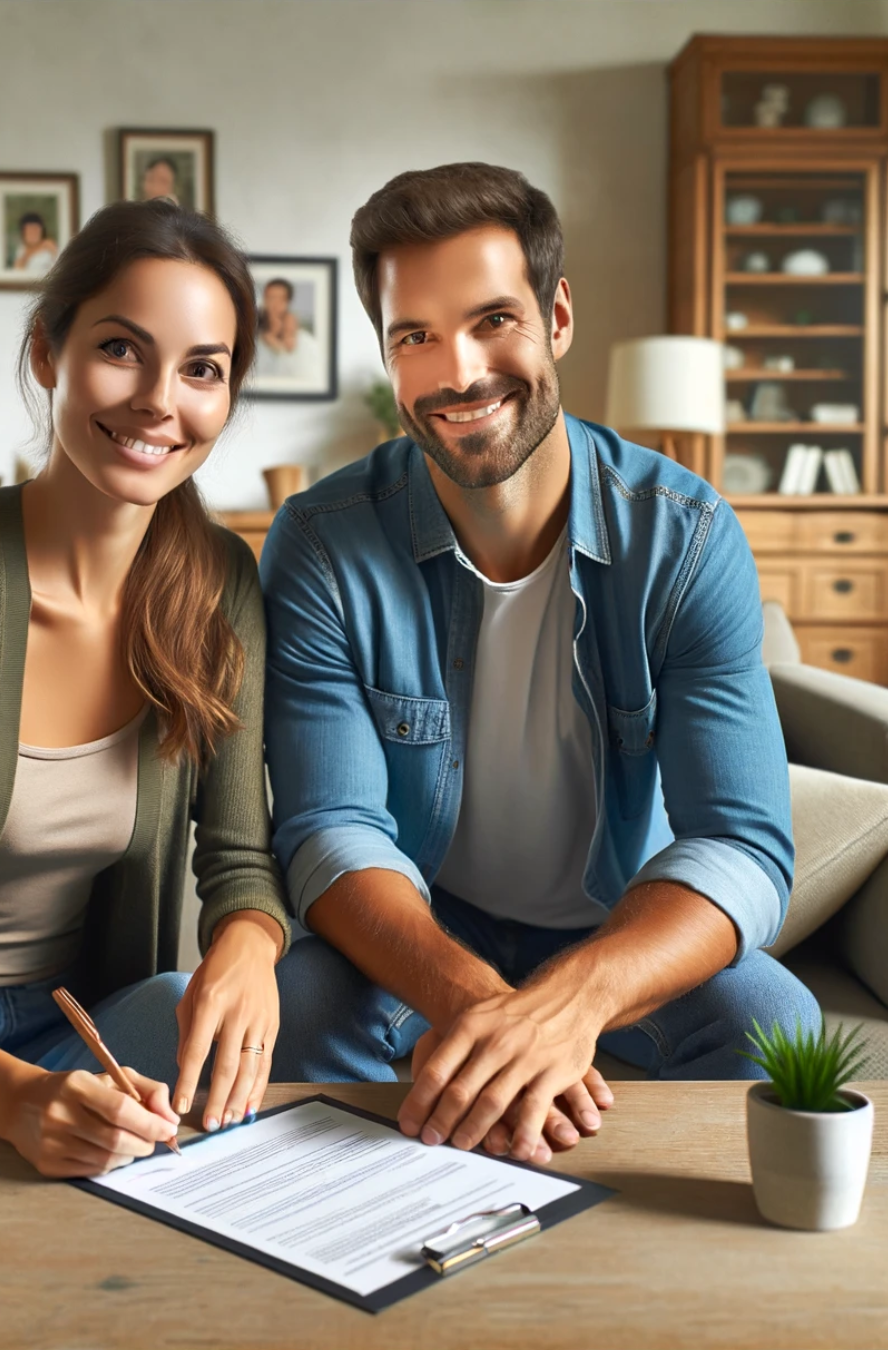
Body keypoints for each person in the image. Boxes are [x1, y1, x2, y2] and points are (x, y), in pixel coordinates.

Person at [0, 198, 343, 1334]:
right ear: (49, 350)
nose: (160, 401)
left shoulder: (220, 590)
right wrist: (14, 1098)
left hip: (81, 1017)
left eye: (204, 368)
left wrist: (252, 946)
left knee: (185, 1023)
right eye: (119, 349)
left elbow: (242, 860)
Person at [262, 162, 820, 1166]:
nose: (460, 369)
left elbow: (741, 842)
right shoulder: (319, 540)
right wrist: (487, 1011)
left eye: (492, 321)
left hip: (615, 922)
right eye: (415, 336)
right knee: (297, 1009)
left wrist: (572, 1005)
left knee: (778, 1025)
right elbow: (327, 828)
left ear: (557, 316)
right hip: (423, 926)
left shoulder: (687, 537)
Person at [254, 278, 321, 384]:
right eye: (271, 298)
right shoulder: (253, 340)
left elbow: (309, 379)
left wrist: (281, 350)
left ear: (288, 302)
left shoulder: (306, 341)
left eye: (280, 299)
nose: (274, 304)